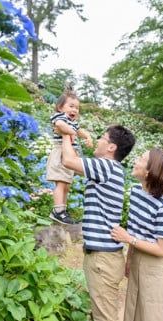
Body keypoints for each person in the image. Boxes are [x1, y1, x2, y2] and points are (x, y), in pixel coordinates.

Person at [60, 125, 136, 321]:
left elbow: (68, 160)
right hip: (102, 257)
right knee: (100, 315)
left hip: (103, 259)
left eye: (102, 137)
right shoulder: (107, 169)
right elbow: (75, 163)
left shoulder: (107, 167)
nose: (98, 140)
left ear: (111, 147)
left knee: (105, 319)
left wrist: (66, 131)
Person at [111, 148, 163, 321]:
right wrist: (129, 259)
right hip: (137, 257)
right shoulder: (136, 192)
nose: (135, 160)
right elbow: (134, 228)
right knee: (135, 311)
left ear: (149, 172)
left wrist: (128, 239)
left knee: (154, 315)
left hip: (156, 267)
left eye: (141, 159)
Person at [46, 89, 93, 225]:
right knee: (61, 183)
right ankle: (58, 211)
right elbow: (60, 126)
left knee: (66, 184)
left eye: (77, 108)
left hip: (69, 155)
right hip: (60, 153)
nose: (75, 110)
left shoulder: (73, 122)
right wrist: (72, 132)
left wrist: (87, 136)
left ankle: (62, 211)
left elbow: (80, 131)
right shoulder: (59, 117)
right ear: (61, 107)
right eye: (71, 106)